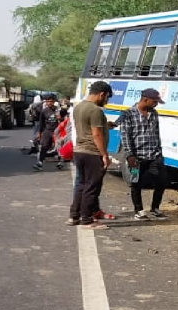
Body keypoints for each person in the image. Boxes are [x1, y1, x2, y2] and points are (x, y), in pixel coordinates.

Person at [68, 81, 113, 225]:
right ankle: (86, 218)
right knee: (92, 186)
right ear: (101, 94)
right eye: (107, 98)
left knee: (81, 184)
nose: (106, 101)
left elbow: (86, 126)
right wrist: (104, 155)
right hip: (92, 152)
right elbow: (96, 135)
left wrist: (106, 125)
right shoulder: (95, 110)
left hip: (79, 150)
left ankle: (74, 215)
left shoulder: (79, 107)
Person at [119, 88, 168, 220]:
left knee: (162, 181)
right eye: (154, 101)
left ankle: (155, 208)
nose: (156, 104)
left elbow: (157, 134)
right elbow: (125, 136)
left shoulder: (154, 113)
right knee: (136, 183)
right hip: (137, 156)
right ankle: (139, 210)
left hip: (154, 155)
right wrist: (129, 155)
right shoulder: (128, 114)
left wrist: (160, 153)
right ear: (145, 99)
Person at [32, 94, 60, 171]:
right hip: (47, 131)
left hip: (57, 131)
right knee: (44, 147)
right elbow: (41, 123)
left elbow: (65, 121)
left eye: (51, 101)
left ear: (54, 102)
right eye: (48, 101)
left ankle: (60, 163)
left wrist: (60, 118)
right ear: (46, 102)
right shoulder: (44, 111)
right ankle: (40, 163)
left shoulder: (58, 110)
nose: (49, 103)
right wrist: (39, 132)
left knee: (58, 148)